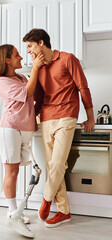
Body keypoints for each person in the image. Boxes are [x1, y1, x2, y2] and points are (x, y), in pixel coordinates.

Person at [23, 29, 95, 228]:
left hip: (66, 116)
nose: (28, 51)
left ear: (41, 42)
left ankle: (46, 199)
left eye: (30, 46)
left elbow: (83, 87)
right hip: (46, 119)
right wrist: (29, 120)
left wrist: (90, 117)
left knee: (57, 163)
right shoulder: (37, 68)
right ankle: (63, 211)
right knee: (53, 166)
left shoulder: (67, 59)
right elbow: (38, 99)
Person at [0, 44, 44, 238]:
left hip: (24, 128)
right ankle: (13, 213)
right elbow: (28, 93)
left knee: (17, 170)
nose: (21, 57)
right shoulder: (2, 81)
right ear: (6, 59)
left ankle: (15, 212)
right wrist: (36, 67)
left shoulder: (21, 77)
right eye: (16, 55)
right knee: (11, 170)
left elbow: (33, 96)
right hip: (10, 128)